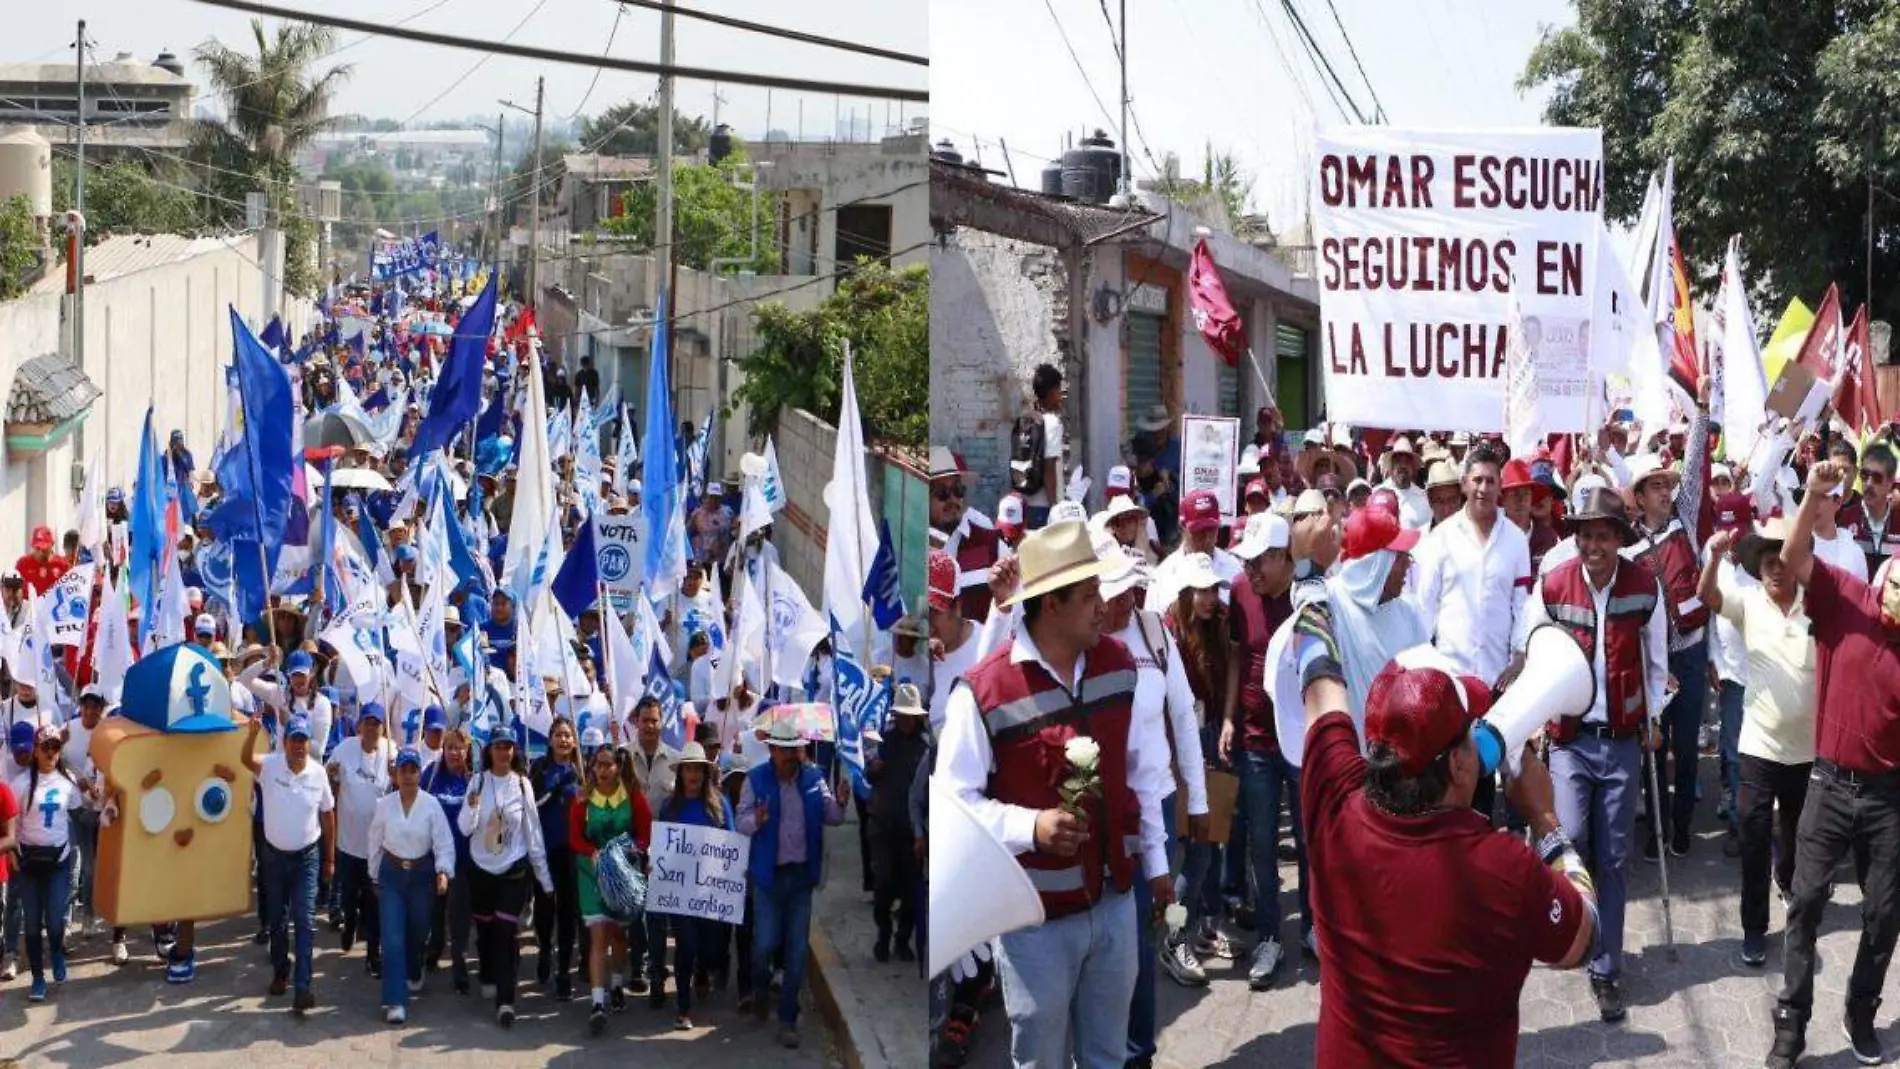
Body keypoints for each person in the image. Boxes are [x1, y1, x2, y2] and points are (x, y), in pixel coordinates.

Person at [1293, 631, 1597, 1065]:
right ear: (1456, 764)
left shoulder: (1333, 796)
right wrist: (1545, 819)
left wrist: (1308, 597)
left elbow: (1321, 690)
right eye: (1472, 734)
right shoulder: (1504, 868)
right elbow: (1583, 940)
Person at [938, 520, 1170, 1069]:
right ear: (1051, 605)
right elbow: (954, 807)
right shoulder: (983, 692)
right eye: (1090, 596)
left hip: (1115, 906)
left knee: (1107, 1058)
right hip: (1034, 926)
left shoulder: (1119, 666)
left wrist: (1156, 865)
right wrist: (1031, 827)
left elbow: (1142, 772)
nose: (1102, 607)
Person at [1515, 486, 1667, 1023]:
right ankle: (1568, 930)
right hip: (1571, 741)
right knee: (1571, 839)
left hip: (1623, 741)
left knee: (1617, 857)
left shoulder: (1645, 585)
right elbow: (1532, 652)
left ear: (1620, 539)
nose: (1593, 544)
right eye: (1585, 534)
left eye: (1603, 534)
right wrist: (1534, 724)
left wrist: (1655, 718)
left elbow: (1656, 660)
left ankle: (1606, 967)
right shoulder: (1553, 585)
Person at [1767, 459, 1900, 1067]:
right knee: (1806, 901)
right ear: (1886, 577)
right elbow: (1794, 563)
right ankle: (1791, 1024)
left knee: (1885, 913)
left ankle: (1861, 1010)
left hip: (1889, 798)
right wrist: (1814, 495)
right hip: (1828, 781)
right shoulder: (1846, 598)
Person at [1697, 514, 1814, 972]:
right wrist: (1710, 558)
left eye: (1782, 558)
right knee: (1753, 830)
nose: (1775, 568)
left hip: (1806, 750)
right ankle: (1753, 928)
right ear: (1758, 567)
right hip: (1758, 744)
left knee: (1797, 836)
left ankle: (1786, 881)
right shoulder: (1747, 602)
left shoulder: (1816, 606)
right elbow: (1708, 596)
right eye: (1766, 561)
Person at [1410, 444, 1530, 820]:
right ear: (1464, 484)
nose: (1483, 488)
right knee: (1449, 776)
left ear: (1500, 487)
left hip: (1498, 682)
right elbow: (1422, 610)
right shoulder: (1440, 540)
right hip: (1451, 682)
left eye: (1491, 481)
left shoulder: (1516, 540)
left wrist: (1520, 656)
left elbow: (1522, 605)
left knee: (1486, 777)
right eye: (1476, 479)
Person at [1219, 511, 1304, 987]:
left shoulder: (1309, 595)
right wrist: (1230, 716)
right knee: (1262, 843)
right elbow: (1236, 655)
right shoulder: (1238, 592)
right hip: (1254, 739)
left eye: (1258, 562)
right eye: (1246, 562)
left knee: (1311, 842)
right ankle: (1271, 937)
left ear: (1281, 557)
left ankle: (1313, 929)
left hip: (1300, 741)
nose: (1250, 571)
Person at [737, 718, 846, 1049]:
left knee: (797, 952)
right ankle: (759, 989)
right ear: (771, 750)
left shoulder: (814, 778)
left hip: (801, 878)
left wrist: (841, 801)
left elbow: (834, 817)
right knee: (765, 944)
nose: (790, 756)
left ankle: (787, 1018)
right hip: (768, 878)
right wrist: (756, 820)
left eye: (794, 750)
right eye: (783, 750)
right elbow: (739, 822)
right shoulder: (755, 780)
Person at [458, 723, 556, 1028]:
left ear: (514, 750)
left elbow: (533, 834)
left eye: (508, 746)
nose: (503, 751)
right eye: (498, 746)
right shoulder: (477, 782)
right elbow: (464, 828)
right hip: (481, 869)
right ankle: (487, 973)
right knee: (486, 932)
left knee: (506, 934)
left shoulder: (523, 785)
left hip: (513, 871)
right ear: (490, 750)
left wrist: (545, 879)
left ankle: (506, 1000)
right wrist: (473, 808)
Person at [244, 714, 335, 1014]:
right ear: (284, 742)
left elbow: (328, 815)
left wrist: (330, 858)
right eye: (293, 739)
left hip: (307, 857)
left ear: (309, 743)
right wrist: (251, 734)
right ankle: (281, 970)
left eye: (302, 740)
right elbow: (245, 759)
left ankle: (304, 986)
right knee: (277, 920)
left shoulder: (319, 774)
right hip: (273, 856)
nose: (298, 745)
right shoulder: (270, 766)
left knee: (306, 920)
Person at [366, 747, 456, 1024]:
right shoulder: (384, 805)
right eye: (403, 770)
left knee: (418, 930)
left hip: (421, 875)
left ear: (419, 773)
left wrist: (443, 869)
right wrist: (373, 874)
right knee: (392, 937)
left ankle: (415, 966)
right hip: (392, 873)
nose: (407, 775)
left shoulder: (431, 805)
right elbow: (374, 839)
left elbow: (443, 841)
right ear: (395, 774)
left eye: (412, 770)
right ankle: (395, 1000)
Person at [570, 739, 652, 1034]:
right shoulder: (582, 798)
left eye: (608, 764)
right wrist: (591, 852)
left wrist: (629, 850)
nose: (602, 770)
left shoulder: (633, 796)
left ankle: (617, 982)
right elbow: (575, 837)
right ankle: (597, 1003)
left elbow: (645, 834)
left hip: (622, 875)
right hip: (591, 874)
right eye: (597, 764)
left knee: (618, 936)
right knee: (597, 937)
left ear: (618, 767)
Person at [10, 724, 91, 1002]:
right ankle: (36, 977)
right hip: (29, 862)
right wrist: (12, 854)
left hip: (58, 861)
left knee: (55, 921)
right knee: (32, 924)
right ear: (35, 750)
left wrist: (102, 803)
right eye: (45, 747)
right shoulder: (20, 785)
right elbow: (10, 825)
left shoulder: (67, 783)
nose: (50, 753)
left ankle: (56, 951)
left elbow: (81, 813)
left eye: (56, 747)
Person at [652, 741, 727, 1030]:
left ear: (705, 773)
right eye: (688, 769)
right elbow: (662, 845)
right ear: (681, 773)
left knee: (710, 951)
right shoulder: (670, 807)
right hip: (680, 893)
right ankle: (683, 1007)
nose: (693, 775)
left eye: (698, 769)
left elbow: (730, 843)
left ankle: (703, 972)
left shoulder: (719, 805)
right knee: (686, 946)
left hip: (710, 894)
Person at [327, 702, 396, 978]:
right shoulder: (345, 748)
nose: (372, 728)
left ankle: (372, 954)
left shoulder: (391, 751)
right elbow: (329, 773)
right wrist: (331, 774)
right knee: (348, 897)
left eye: (377, 723)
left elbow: (402, 786)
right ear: (360, 726)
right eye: (367, 722)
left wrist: (396, 774)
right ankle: (350, 923)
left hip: (377, 847)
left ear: (382, 726)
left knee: (373, 902)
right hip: (347, 843)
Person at [867, 683, 929, 964]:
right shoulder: (884, 740)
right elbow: (868, 778)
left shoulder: (927, 747)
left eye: (910, 715)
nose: (905, 720)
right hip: (884, 825)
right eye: (901, 715)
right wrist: (873, 770)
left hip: (913, 831)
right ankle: (882, 933)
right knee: (883, 884)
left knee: (911, 890)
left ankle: (903, 939)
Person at [528, 716, 584, 1000]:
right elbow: (533, 803)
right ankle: (544, 952)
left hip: (571, 851)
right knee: (545, 909)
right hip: (545, 849)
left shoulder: (582, 771)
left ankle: (563, 970)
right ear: (550, 739)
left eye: (568, 735)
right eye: (559, 735)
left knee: (568, 912)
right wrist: (555, 784)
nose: (564, 740)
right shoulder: (539, 768)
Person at [421, 726, 475, 993]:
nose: (454, 752)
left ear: (467, 750)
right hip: (433, 858)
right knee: (435, 912)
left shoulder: (473, 780)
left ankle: (459, 966)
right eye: (449, 747)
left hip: (464, 861)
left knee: (459, 917)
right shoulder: (431, 775)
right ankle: (433, 950)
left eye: (459, 747)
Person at [931, 446, 1002, 622]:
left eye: (958, 490)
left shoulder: (989, 542)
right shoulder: (913, 549)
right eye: (942, 493)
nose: (952, 499)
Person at [1015, 364, 1067, 529]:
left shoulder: (1025, 420)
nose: (1061, 396)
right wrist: (1054, 509)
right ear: (1052, 392)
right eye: (1059, 391)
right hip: (1043, 506)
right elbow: (1049, 468)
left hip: (1023, 503)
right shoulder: (1051, 423)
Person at [1376, 436, 1431, 529]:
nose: (1403, 466)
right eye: (1398, 461)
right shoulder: (1377, 494)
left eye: (1407, 462)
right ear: (1391, 466)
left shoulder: (1422, 498)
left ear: (1413, 468)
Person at [15, 526, 67, 597]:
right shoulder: (23, 564)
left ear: (52, 545)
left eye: (44, 549)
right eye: (38, 548)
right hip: (29, 606)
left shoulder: (62, 564)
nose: (41, 552)